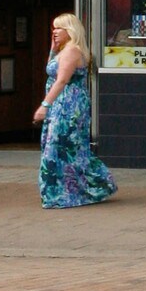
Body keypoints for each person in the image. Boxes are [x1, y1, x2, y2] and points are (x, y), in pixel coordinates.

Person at [33, 11, 117, 210]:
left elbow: (61, 80)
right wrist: (53, 51)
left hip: (67, 106)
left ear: (70, 30)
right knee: (62, 147)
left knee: (61, 146)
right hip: (61, 104)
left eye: (59, 28)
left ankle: (65, 192)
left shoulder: (72, 51)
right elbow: (51, 71)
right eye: (53, 28)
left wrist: (44, 105)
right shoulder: (65, 50)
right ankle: (64, 191)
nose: (55, 31)